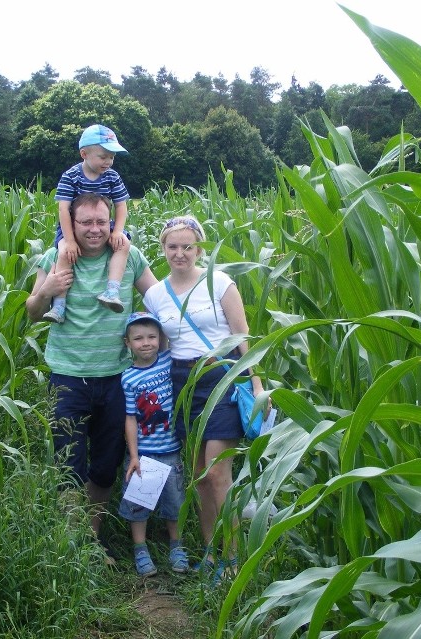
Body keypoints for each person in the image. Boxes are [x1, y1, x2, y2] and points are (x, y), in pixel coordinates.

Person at [26, 193, 158, 550]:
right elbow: (32, 311)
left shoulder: (128, 256)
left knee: (105, 463)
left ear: (111, 222)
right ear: (72, 224)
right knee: (69, 462)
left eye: (102, 221)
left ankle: (93, 537)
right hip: (68, 376)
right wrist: (47, 291)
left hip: (117, 378)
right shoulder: (55, 257)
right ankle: (75, 547)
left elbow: (160, 300)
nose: (96, 229)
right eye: (86, 223)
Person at [142, 215, 267, 582]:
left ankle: (232, 557)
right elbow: (158, 345)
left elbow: (244, 336)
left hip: (223, 377)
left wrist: (257, 384)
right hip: (181, 382)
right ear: (163, 249)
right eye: (172, 247)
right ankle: (212, 552)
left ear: (199, 248)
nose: (180, 254)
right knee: (197, 474)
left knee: (217, 472)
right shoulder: (155, 294)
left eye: (187, 247)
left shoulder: (220, 283)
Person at [118, 311, 189, 577]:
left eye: (152, 336)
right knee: (139, 503)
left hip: (171, 450)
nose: (146, 342)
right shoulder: (128, 378)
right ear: (128, 343)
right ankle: (140, 549)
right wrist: (134, 455)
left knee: (176, 501)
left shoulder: (168, 361)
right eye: (138, 338)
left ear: (161, 338)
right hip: (144, 453)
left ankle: (177, 546)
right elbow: (130, 418)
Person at [43, 124, 132, 323]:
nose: (108, 161)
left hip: (103, 225)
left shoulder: (112, 176)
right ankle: (58, 306)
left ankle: (112, 290)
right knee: (65, 251)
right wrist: (70, 240)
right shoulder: (71, 176)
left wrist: (117, 231)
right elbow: (63, 210)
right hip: (74, 227)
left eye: (112, 157)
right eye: (103, 156)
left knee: (124, 244)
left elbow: (121, 206)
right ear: (84, 153)